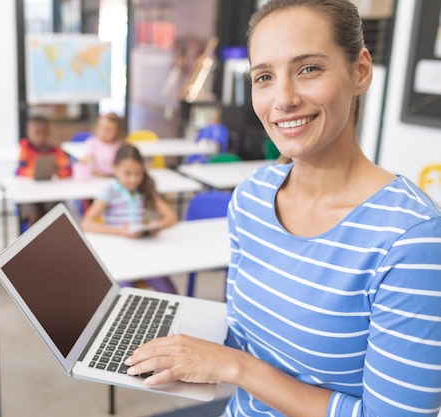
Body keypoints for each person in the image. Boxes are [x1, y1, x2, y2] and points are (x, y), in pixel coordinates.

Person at [124, 1, 441, 416]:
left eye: (309, 68)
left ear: (360, 71)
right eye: (265, 77)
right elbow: (245, 336)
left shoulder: (413, 239)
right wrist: (165, 337)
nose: (284, 99)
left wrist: (235, 367)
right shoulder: (252, 197)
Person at [81, 143, 178, 293]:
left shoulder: (145, 189)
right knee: (126, 294)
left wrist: (159, 225)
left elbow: (171, 217)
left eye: (138, 173)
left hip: (142, 253)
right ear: (115, 169)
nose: (133, 179)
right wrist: (119, 231)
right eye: (127, 174)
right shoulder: (109, 191)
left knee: (170, 292)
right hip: (118, 256)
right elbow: (86, 224)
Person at [15, 115, 72, 225]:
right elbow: (20, 171)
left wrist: (58, 171)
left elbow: (68, 170)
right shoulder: (25, 148)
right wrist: (35, 172)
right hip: (29, 195)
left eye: (45, 132)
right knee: (33, 214)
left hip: (50, 194)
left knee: (54, 213)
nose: (41, 137)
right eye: (37, 133)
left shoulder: (56, 151)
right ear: (28, 133)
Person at [79, 112, 125, 177]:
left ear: (117, 132)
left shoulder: (119, 145)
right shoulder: (92, 142)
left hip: (113, 177)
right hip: (95, 177)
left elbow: (122, 164)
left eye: (108, 130)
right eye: (100, 127)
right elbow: (87, 159)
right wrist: (92, 168)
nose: (103, 132)